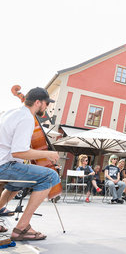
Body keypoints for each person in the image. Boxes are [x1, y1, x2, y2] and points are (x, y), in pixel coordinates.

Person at [0, 87, 60, 240]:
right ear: (38, 102)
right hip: (5, 165)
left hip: (4, 163)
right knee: (50, 176)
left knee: (17, 185)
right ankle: (22, 228)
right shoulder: (27, 117)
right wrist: (49, 154)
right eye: (46, 103)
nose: (47, 107)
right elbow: (18, 152)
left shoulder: (11, 112)